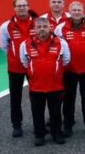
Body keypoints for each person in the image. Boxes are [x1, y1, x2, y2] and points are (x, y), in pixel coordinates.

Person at [20, 16, 71, 146]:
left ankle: (56, 133)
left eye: (45, 27)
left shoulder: (61, 43)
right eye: (39, 27)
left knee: (55, 113)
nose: (42, 29)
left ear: (50, 28)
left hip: (56, 86)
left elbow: (66, 60)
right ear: (35, 30)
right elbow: (24, 62)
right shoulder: (25, 44)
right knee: (37, 113)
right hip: (36, 87)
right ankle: (39, 135)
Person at [55, 1, 85, 136]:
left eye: (79, 10)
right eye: (74, 10)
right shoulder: (61, 28)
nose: (77, 12)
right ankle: (67, 125)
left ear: (83, 11)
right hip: (68, 71)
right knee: (68, 99)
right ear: (69, 11)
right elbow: (57, 46)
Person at [0, 0, 37, 137]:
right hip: (15, 68)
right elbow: (4, 46)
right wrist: (16, 57)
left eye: (24, 5)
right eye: (18, 6)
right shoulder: (5, 26)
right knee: (15, 97)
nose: (21, 8)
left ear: (28, 7)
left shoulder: (37, 23)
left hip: (34, 65)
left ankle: (37, 124)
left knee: (36, 96)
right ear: (14, 8)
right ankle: (16, 125)